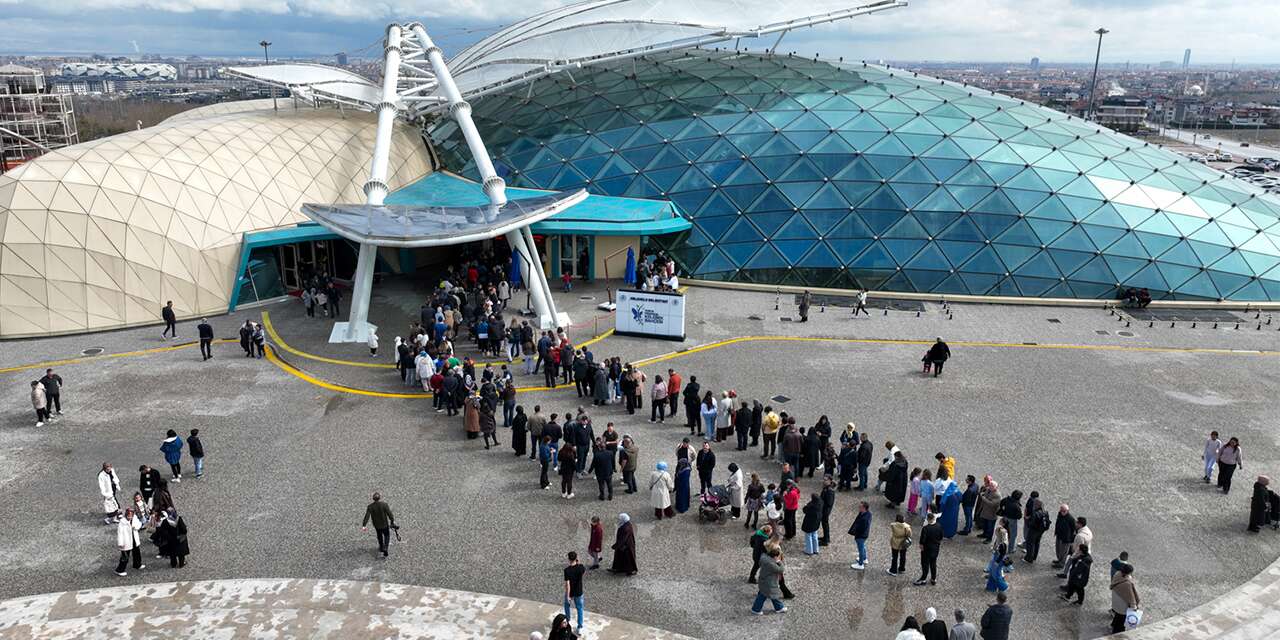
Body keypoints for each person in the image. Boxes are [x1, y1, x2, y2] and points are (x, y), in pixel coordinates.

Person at [750, 547, 788, 615]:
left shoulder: (763, 557)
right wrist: (779, 561)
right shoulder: (771, 564)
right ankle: (756, 609)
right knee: (769, 595)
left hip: (763, 580)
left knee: (766, 595)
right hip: (769, 583)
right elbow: (781, 569)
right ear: (775, 556)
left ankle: (779, 607)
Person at [361, 492, 396, 558]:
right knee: (387, 535)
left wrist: (364, 525)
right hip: (384, 524)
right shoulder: (384, 505)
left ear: (373, 499)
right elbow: (389, 513)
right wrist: (392, 520)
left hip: (377, 525)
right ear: (379, 498)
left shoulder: (370, 507)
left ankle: (381, 546)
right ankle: (386, 547)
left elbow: (367, 516)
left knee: (379, 535)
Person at [114, 507, 145, 576]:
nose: (130, 516)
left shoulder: (134, 518)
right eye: (129, 515)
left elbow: (139, 524)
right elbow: (120, 534)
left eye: (131, 515)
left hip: (134, 538)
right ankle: (119, 570)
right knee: (125, 556)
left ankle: (137, 564)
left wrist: (135, 527)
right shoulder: (122, 522)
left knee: (137, 552)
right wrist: (121, 543)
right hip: (126, 541)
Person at [915, 511, 944, 586]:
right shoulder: (939, 526)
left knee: (925, 564)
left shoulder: (925, 528)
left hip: (927, 549)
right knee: (933, 563)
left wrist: (921, 547)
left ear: (928, 519)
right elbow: (941, 536)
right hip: (935, 549)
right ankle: (933, 578)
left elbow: (922, 541)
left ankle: (923, 578)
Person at [1110, 563, 1140, 633]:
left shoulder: (1117, 574)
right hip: (1122, 605)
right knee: (1121, 621)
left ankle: (1113, 624)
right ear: (1129, 573)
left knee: (1118, 615)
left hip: (1116, 599)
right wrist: (1134, 607)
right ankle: (1116, 633)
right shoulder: (1127, 584)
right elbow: (1131, 597)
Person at [563, 551, 586, 633]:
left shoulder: (567, 570)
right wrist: (578, 562)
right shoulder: (581, 568)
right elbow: (582, 571)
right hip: (579, 591)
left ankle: (567, 621)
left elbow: (567, 584)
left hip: (571, 592)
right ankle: (580, 627)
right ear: (576, 558)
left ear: (569, 559)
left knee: (566, 606)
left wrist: (568, 596)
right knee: (579, 608)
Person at [848, 500, 871, 570]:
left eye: (860, 507)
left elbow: (862, 528)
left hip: (861, 536)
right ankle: (864, 558)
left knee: (860, 549)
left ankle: (860, 564)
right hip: (863, 535)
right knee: (863, 547)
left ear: (864, 508)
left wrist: (856, 532)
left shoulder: (864, 518)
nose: (859, 508)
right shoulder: (868, 513)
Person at [1052, 504, 1075, 569]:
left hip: (1066, 539)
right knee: (1058, 550)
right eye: (1061, 511)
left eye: (1064, 511)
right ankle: (1059, 560)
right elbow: (1057, 523)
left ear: (1067, 511)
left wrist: (1071, 539)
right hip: (1059, 535)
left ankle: (1062, 563)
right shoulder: (1060, 515)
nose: (1062, 512)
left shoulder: (1071, 519)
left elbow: (1073, 529)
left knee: (1064, 552)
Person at [819, 477, 836, 545]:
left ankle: (826, 539)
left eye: (826, 480)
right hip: (823, 509)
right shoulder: (826, 488)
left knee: (825, 524)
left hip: (825, 510)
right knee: (824, 524)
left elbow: (829, 503)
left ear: (830, 481)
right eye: (824, 480)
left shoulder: (830, 490)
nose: (824, 481)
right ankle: (825, 537)